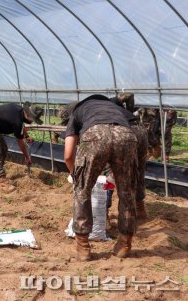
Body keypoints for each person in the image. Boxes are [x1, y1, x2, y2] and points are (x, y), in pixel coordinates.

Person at [63, 95, 137, 261]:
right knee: (127, 192)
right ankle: (125, 244)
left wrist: (76, 176)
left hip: (95, 135)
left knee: (83, 191)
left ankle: (83, 247)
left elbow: (68, 155)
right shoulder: (115, 108)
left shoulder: (77, 112)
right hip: (125, 135)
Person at [0, 102, 44, 180]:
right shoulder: (17, 120)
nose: (33, 121)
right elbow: (20, 141)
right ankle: (1, 178)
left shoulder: (19, 111)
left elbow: (21, 126)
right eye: (33, 119)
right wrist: (27, 157)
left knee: (3, 149)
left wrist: (26, 136)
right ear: (28, 114)